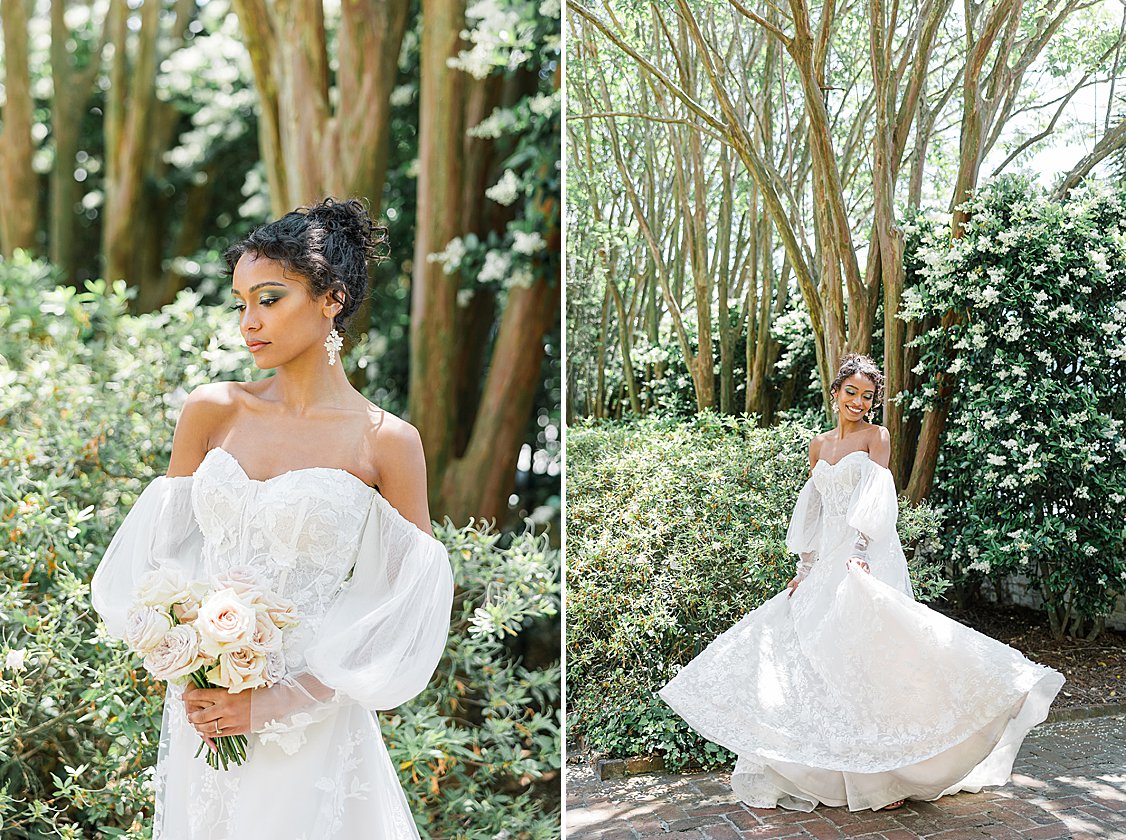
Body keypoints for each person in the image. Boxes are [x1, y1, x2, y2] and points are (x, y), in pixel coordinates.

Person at [90, 197, 454, 839]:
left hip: (305, 722)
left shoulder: (386, 443)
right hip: (204, 711)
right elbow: (159, 563)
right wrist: (183, 651)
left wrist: (278, 699)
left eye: (269, 298)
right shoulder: (213, 411)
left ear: (331, 298)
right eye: (240, 303)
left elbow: (402, 609)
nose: (248, 322)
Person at [657, 353, 1064, 813]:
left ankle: (885, 777)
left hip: (863, 559)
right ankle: (840, 770)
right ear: (835, 393)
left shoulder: (878, 437)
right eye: (851, 392)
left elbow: (879, 499)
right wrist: (804, 569)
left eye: (867, 396)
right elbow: (811, 512)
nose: (859, 402)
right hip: (826, 562)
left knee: (868, 658)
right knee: (819, 660)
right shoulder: (817, 445)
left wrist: (861, 554)